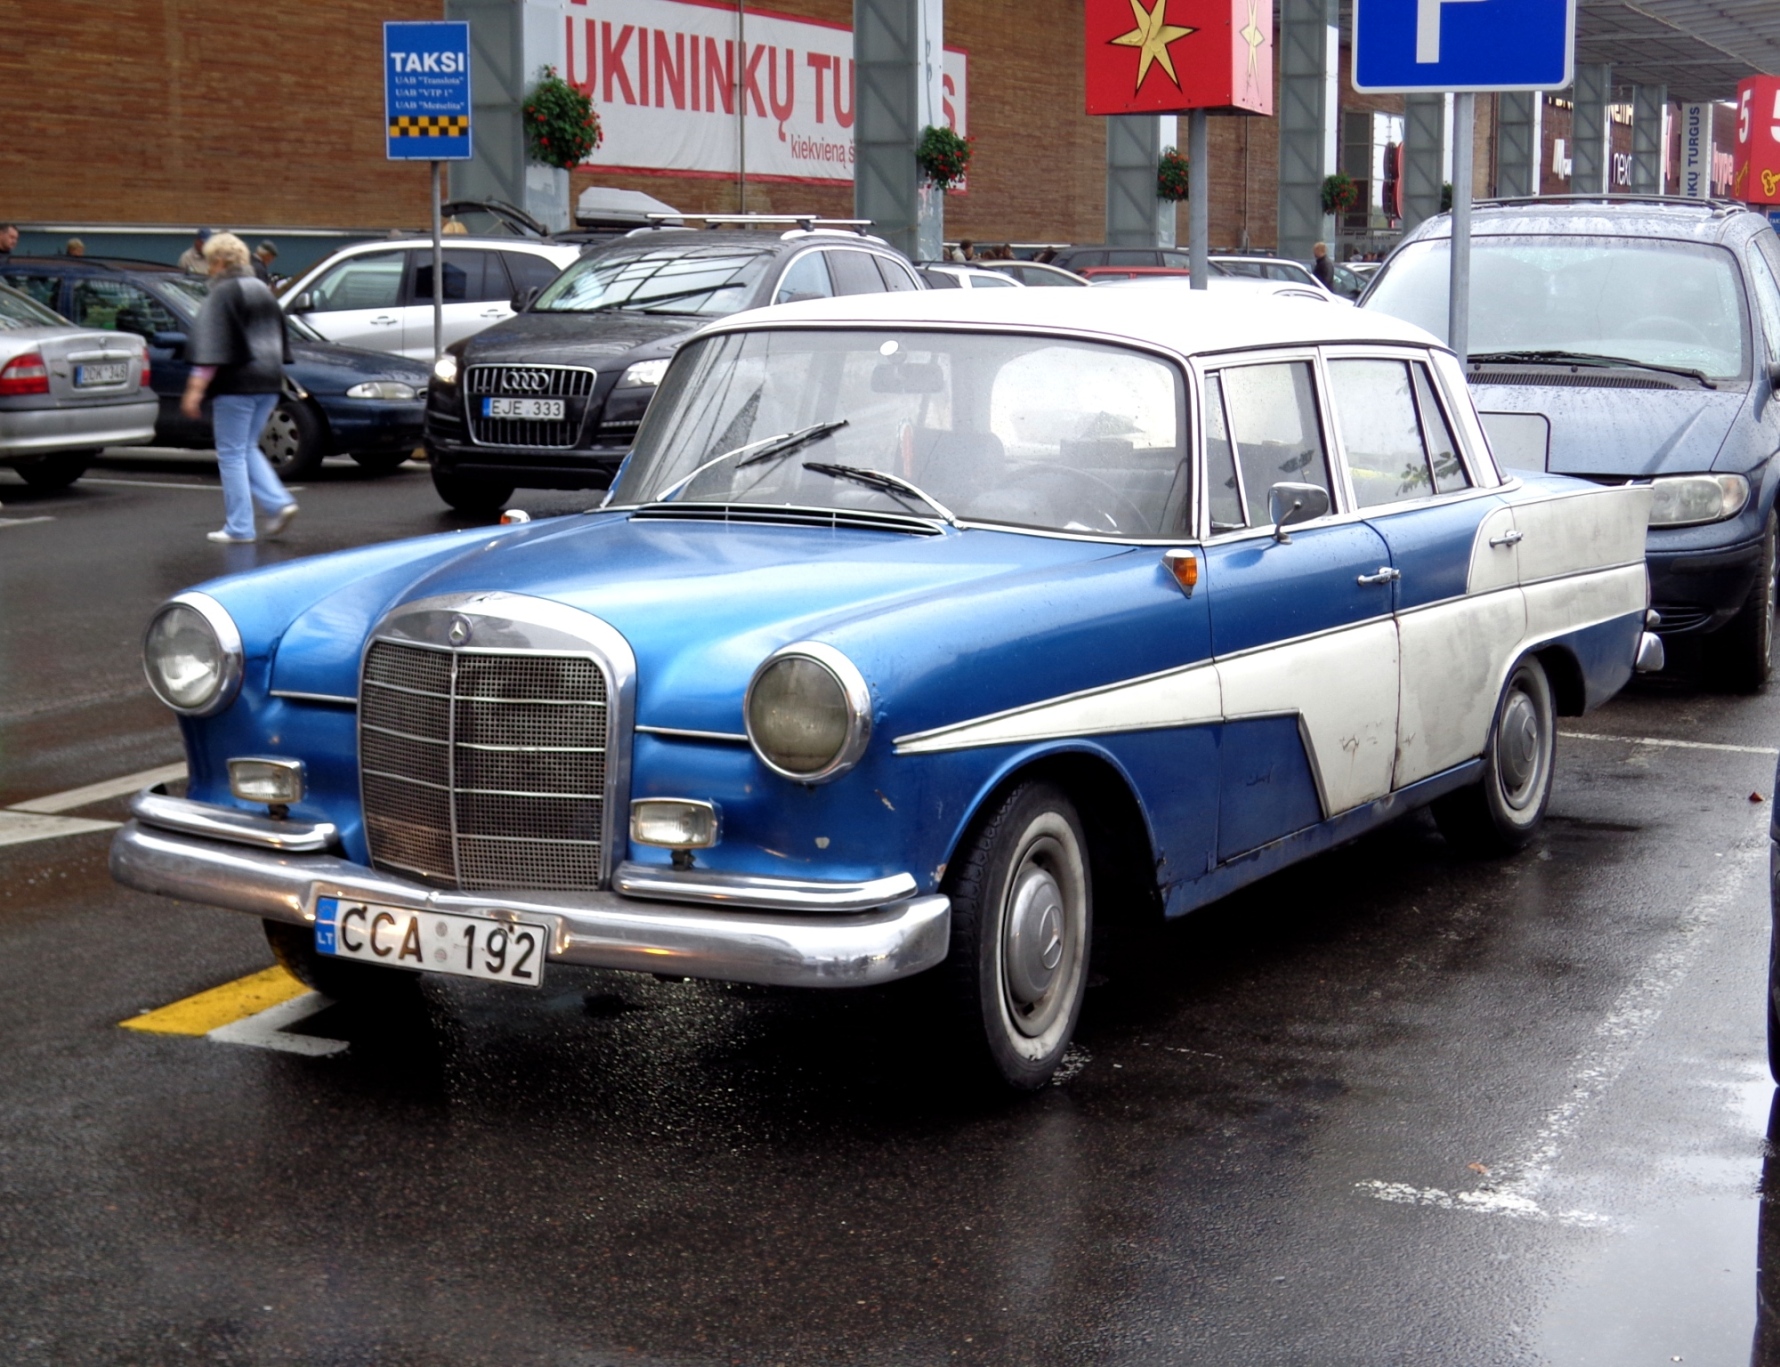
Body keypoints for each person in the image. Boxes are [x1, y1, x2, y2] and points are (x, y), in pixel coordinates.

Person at [180, 233, 298, 544]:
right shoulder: (261, 289)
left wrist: (194, 389)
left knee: (231, 454)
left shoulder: (221, 293)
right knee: (246, 448)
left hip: (236, 385)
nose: (207, 267)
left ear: (218, 261)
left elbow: (211, 347)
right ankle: (279, 502)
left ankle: (240, 526)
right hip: (269, 383)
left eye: (209, 261)